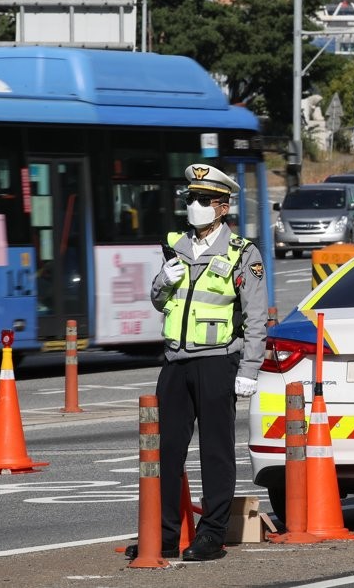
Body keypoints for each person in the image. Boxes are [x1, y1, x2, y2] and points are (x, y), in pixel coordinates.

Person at [126, 164, 267, 562]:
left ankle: (212, 535)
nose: (194, 206)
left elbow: (256, 317)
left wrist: (248, 370)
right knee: (166, 452)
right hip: (175, 362)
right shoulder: (176, 247)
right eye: (190, 198)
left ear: (222, 208)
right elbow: (159, 301)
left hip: (217, 363)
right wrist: (163, 280)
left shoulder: (243, 253)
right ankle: (166, 534)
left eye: (203, 200)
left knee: (215, 452)